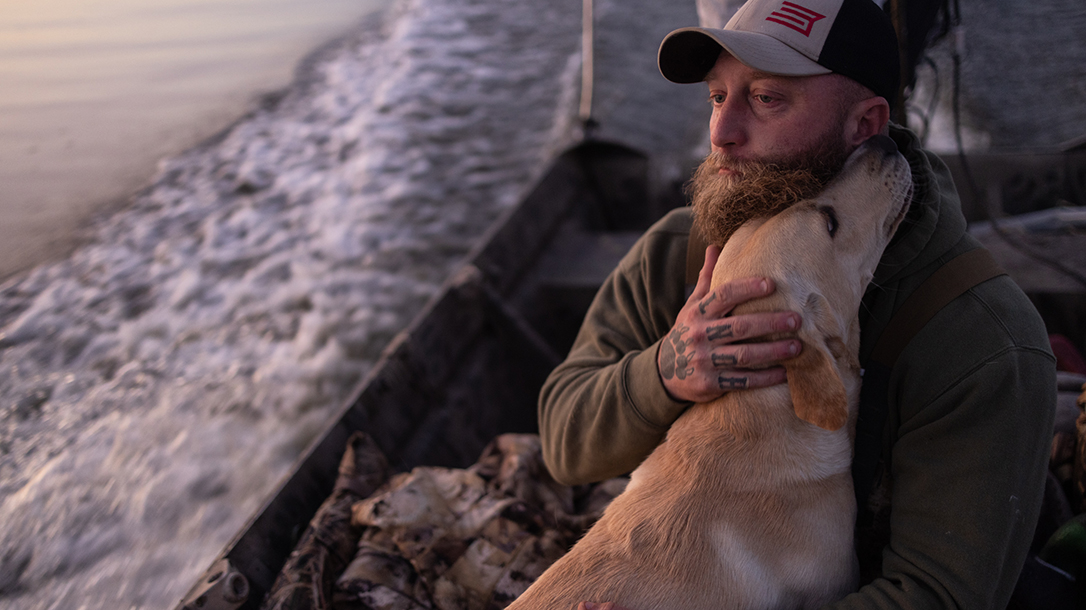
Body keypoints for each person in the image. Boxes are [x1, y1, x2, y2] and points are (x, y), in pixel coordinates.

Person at [537, 0, 1057, 607]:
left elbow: (936, 595)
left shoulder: (982, 339)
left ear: (865, 125)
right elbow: (565, 443)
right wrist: (664, 373)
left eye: (765, 99)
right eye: (716, 97)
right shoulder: (682, 252)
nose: (721, 133)